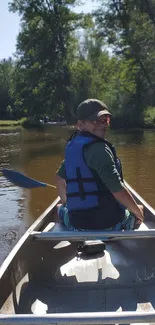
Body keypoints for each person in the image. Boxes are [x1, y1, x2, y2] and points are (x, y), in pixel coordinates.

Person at [56, 99, 144, 231]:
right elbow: (117, 188)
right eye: (94, 121)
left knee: (59, 208)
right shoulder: (100, 150)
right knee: (140, 209)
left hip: (77, 226)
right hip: (111, 226)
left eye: (105, 120)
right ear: (80, 125)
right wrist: (138, 212)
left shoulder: (73, 148)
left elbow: (59, 179)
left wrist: (66, 203)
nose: (101, 124)